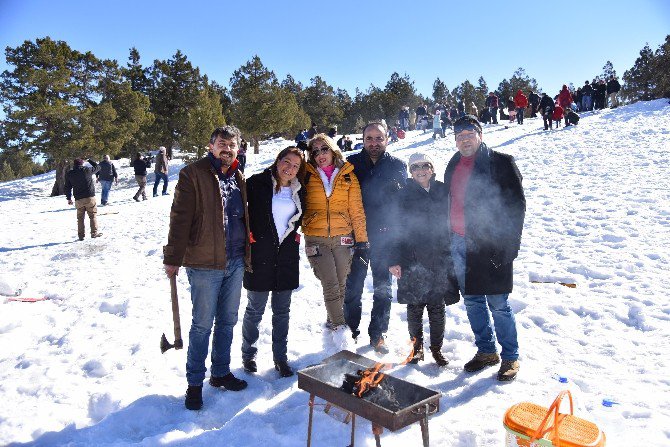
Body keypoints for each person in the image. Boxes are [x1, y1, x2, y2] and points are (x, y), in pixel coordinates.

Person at [163, 125, 251, 411]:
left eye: (232, 145)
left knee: (227, 321)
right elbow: (180, 218)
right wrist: (173, 257)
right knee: (202, 325)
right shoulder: (193, 173)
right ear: (211, 146)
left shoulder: (239, 175)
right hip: (204, 263)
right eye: (222, 144)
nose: (227, 149)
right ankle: (194, 383)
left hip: (236, 260)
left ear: (238, 148)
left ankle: (221, 372)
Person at [444, 115, 525, 381]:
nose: (464, 139)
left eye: (469, 133)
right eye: (459, 135)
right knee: (472, 300)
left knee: (498, 302)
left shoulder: (501, 163)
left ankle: (510, 357)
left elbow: (517, 206)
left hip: (491, 243)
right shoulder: (453, 164)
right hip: (459, 242)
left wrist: (509, 246)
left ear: (480, 135)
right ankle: (487, 351)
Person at [388, 153, 459, 367]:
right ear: (410, 171)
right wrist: (393, 259)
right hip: (411, 258)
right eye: (415, 167)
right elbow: (394, 229)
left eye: (425, 165)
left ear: (432, 168)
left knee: (437, 306)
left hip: (439, 257)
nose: (421, 170)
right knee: (415, 306)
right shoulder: (402, 195)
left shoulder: (443, 190)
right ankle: (416, 348)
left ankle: (436, 348)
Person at [241, 147, 306, 378]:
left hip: (286, 258)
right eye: (286, 162)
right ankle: (248, 354)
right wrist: (244, 235)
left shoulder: (300, 191)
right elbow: (239, 212)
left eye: (295, 166)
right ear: (278, 161)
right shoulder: (257, 183)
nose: (289, 168)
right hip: (259, 256)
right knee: (255, 310)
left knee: (282, 312)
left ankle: (280, 357)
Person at [345, 122, 407, 353]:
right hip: (356, 237)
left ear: (387, 139)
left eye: (378, 138)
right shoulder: (350, 164)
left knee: (383, 289)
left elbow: (402, 206)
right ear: (362, 139)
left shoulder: (397, 166)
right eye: (369, 138)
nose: (373, 143)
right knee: (352, 289)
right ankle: (350, 331)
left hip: (385, 238)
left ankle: (378, 334)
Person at [303, 134, 368, 348]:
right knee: (330, 284)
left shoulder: (348, 175)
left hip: (343, 237)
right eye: (315, 151)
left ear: (333, 150)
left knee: (341, 286)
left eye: (324, 149)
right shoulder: (306, 174)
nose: (320, 155)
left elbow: (356, 211)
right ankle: (341, 333)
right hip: (316, 238)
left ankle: (330, 328)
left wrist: (362, 240)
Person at [65, 158, 103, 241]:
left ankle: (81, 236)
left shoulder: (70, 173)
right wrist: (89, 160)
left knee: (80, 218)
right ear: (82, 164)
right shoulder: (87, 170)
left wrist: (69, 198)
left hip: (78, 199)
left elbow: (67, 187)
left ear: (74, 165)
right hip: (89, 197)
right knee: (92, 215)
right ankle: (94, 233)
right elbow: (98, 167)